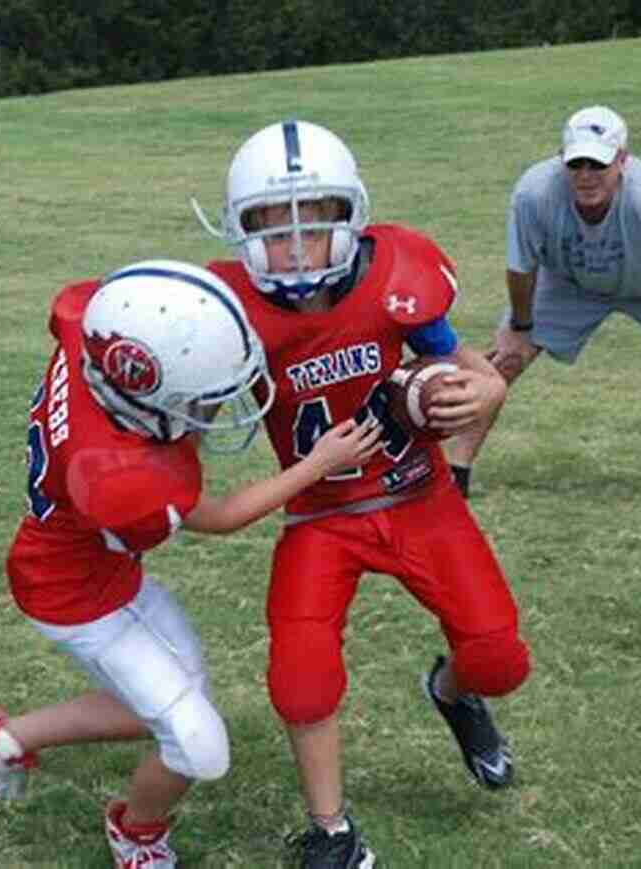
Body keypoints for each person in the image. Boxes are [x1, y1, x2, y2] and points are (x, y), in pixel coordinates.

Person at [0, 259, 382, 868]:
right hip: (76, 599)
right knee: (200, 746)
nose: (214, 405)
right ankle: (135, 832)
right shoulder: (118, 477)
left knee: (175, 707)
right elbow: (219, 515)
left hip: (93, 570)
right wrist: (312, 468)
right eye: (201, 396)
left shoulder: (87, 328)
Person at [193, 120, 532, 869]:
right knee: (300, 677)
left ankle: (451, 692)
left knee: (500, 658)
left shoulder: (394, 278)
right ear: (240, 232)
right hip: (321, 515)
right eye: (270, 230)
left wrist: (483, 392)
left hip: (418, 495)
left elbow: (473, 368)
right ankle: (332, 830)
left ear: (349, 220)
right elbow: (190, 425)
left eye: (311, 226)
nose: (292, 247)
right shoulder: (229, 310)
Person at [445, 105, 641, 532]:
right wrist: (520, 328)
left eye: (597, 163)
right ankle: (454, 476)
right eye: (575, 163)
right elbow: (521, 267)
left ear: (622, 159)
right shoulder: (534, 193)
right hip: (569, 282)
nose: (585, 175)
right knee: (502, 361)